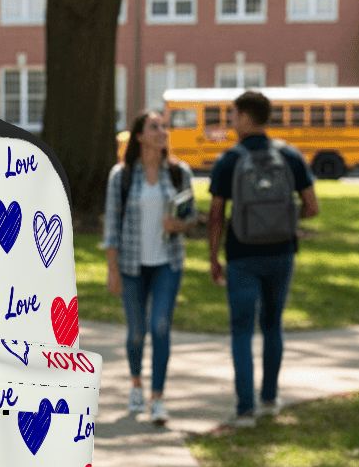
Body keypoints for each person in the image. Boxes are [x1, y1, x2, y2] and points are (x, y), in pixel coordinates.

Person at [208, 89, 318, 427]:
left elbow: (215, 215)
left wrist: (214, 257)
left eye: (233, 116)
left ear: (244, 117)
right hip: (282, 253)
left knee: (242, 330)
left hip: (242, 255)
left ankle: (245, 410)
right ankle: (270, 398)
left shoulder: (229, 160)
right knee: (273, 325)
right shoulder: (290, 156)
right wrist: (284, 221)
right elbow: (313, 207)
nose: (231, 122)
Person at [100, 109, 198, 425]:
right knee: (136, 333)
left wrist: (178, 225)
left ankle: (157, 398)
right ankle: (135, 385)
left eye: (163, 127)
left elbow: (191, 217)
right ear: (140, 136)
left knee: (160, 326)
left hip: (167, 263)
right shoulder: (122, 176)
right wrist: (112, 269)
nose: (162, 132)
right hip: (131, 265)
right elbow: (112, 226)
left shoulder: (180, 173)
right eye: (154, 127)